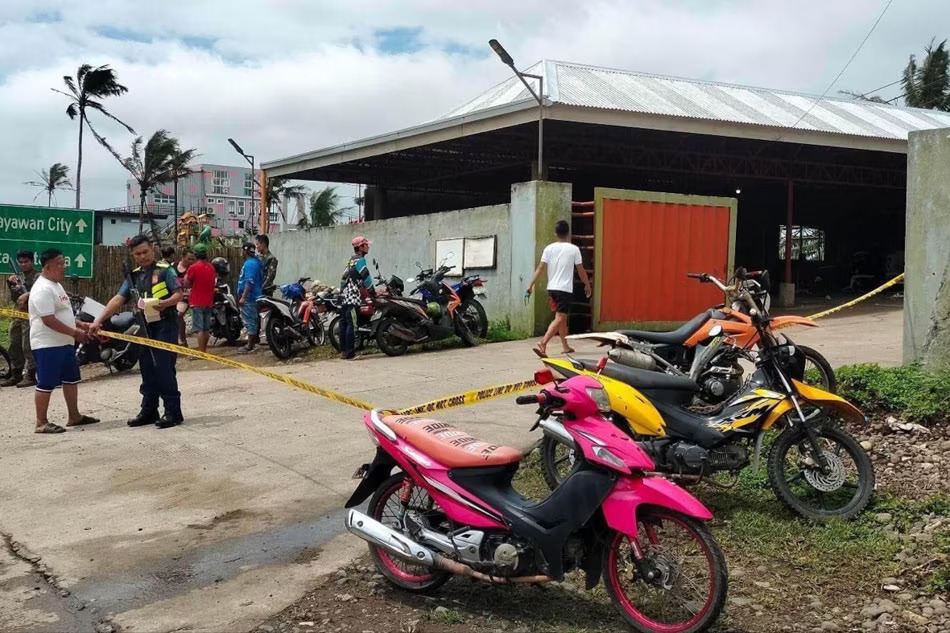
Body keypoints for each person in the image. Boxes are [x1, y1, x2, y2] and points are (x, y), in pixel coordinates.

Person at [91, 235, 185, 429]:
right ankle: (149, 410)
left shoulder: (166, 271)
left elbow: (178, 294)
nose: (142, 256)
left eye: (145, 252)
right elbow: (118, 299)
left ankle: (172, 412)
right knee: (147, 369)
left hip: (164, 325)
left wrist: (163, 303)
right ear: (133, 255)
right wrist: (98, 320)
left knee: (164, 369)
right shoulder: (133, 277)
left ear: (153, 249)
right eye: (138, 254)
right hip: (144, 327)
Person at [28, 248, 98, 434]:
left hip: (64, 343)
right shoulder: (42, 288)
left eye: (64, 263)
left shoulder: (56, 285)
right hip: (48, 344)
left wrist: (80, 324)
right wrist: (75, 333)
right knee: (46, 382)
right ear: (48, 267)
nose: (64, 267)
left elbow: (62, 314)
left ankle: (74, 416)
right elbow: (48, 319)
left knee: (71, 378)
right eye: (59, 264)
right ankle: (41, 422)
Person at [526, 220, 591, 357]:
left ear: (556, 233)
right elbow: (581, 270)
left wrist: (530, 285)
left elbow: (540, 268)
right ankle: (543, 342)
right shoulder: (574, 249)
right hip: (564, 289)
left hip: (552, 289)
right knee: (561, 317)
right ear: (568, 233)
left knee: (561, 318)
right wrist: (587, 284)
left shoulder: (549, 248)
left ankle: (565, 346)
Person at [2, 250, 38, 388]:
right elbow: (13, 298)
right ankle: (16, 373)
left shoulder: (38, 276)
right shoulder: (18, 276)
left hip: (31, 315)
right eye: (21, 262)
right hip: (17, 315)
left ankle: (31, 374)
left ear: (32, 261)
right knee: (13, 344)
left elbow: (41, 291)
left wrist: (28, 293)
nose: (23, 264)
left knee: (27, 345)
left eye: (26, 261)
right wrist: (11, 284)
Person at [339, 236, 375, 360]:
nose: (368, 246)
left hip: (344, 296)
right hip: (353, 296)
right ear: (360, 247)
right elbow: (366, 276)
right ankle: (351, 353)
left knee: (343, 323)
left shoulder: (351, 260)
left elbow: (343, 279)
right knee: (352, 324)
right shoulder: (360, 260)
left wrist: (341, 291)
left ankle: (343, 351)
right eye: (366, 245)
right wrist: (372, 291)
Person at [183, 243, 216, 353]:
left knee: (199, 328)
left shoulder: (193, 268)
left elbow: (187, 284)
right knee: (206, 328)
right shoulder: (211, 267)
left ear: (196, 255)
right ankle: (204, 350)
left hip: (197, 301)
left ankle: (201, 352)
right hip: (208, 301)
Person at [237, 242, 264, 354]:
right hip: (254, 295)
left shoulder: (250, 264)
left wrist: (243, 297)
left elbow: (250, 281)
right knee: (252, 320)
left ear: (245, 251)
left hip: (250, 297)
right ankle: (253, 342)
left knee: (250, 321)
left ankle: (250, 345)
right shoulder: (255, 262)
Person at [175, 249, 197, 347]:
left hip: (186, 297)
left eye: (193, 259)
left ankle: (183, 341)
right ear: (183, 257)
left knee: (179, 315)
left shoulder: (193, 269)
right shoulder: (173, 268)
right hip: (174, 296)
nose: (191, 262)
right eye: (189, 259)